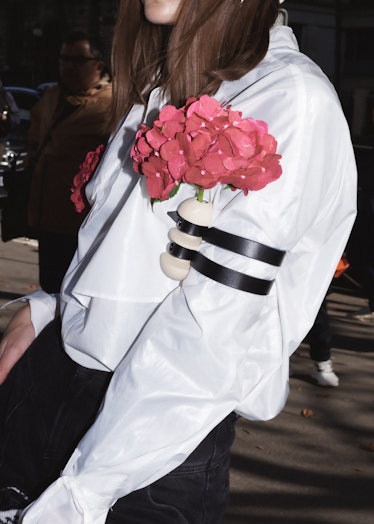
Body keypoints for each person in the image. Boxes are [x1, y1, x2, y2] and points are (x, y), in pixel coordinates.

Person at [0, 1, 357, 523]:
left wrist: (78, 498)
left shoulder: (288, 97)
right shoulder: (165, 80)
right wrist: (50, 311)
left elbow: (209, 335)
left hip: (142, 454)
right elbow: (127, 255)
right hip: (48, 389)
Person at [26, 30, 112, 293]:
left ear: (98, 65)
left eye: (77, 60)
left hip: (81, 222)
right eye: (64, 59)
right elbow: (34, 140)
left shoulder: (112, 104)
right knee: (49, 287)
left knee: (72, 294)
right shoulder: (52, 96)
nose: (68, 66)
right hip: (46, 217)